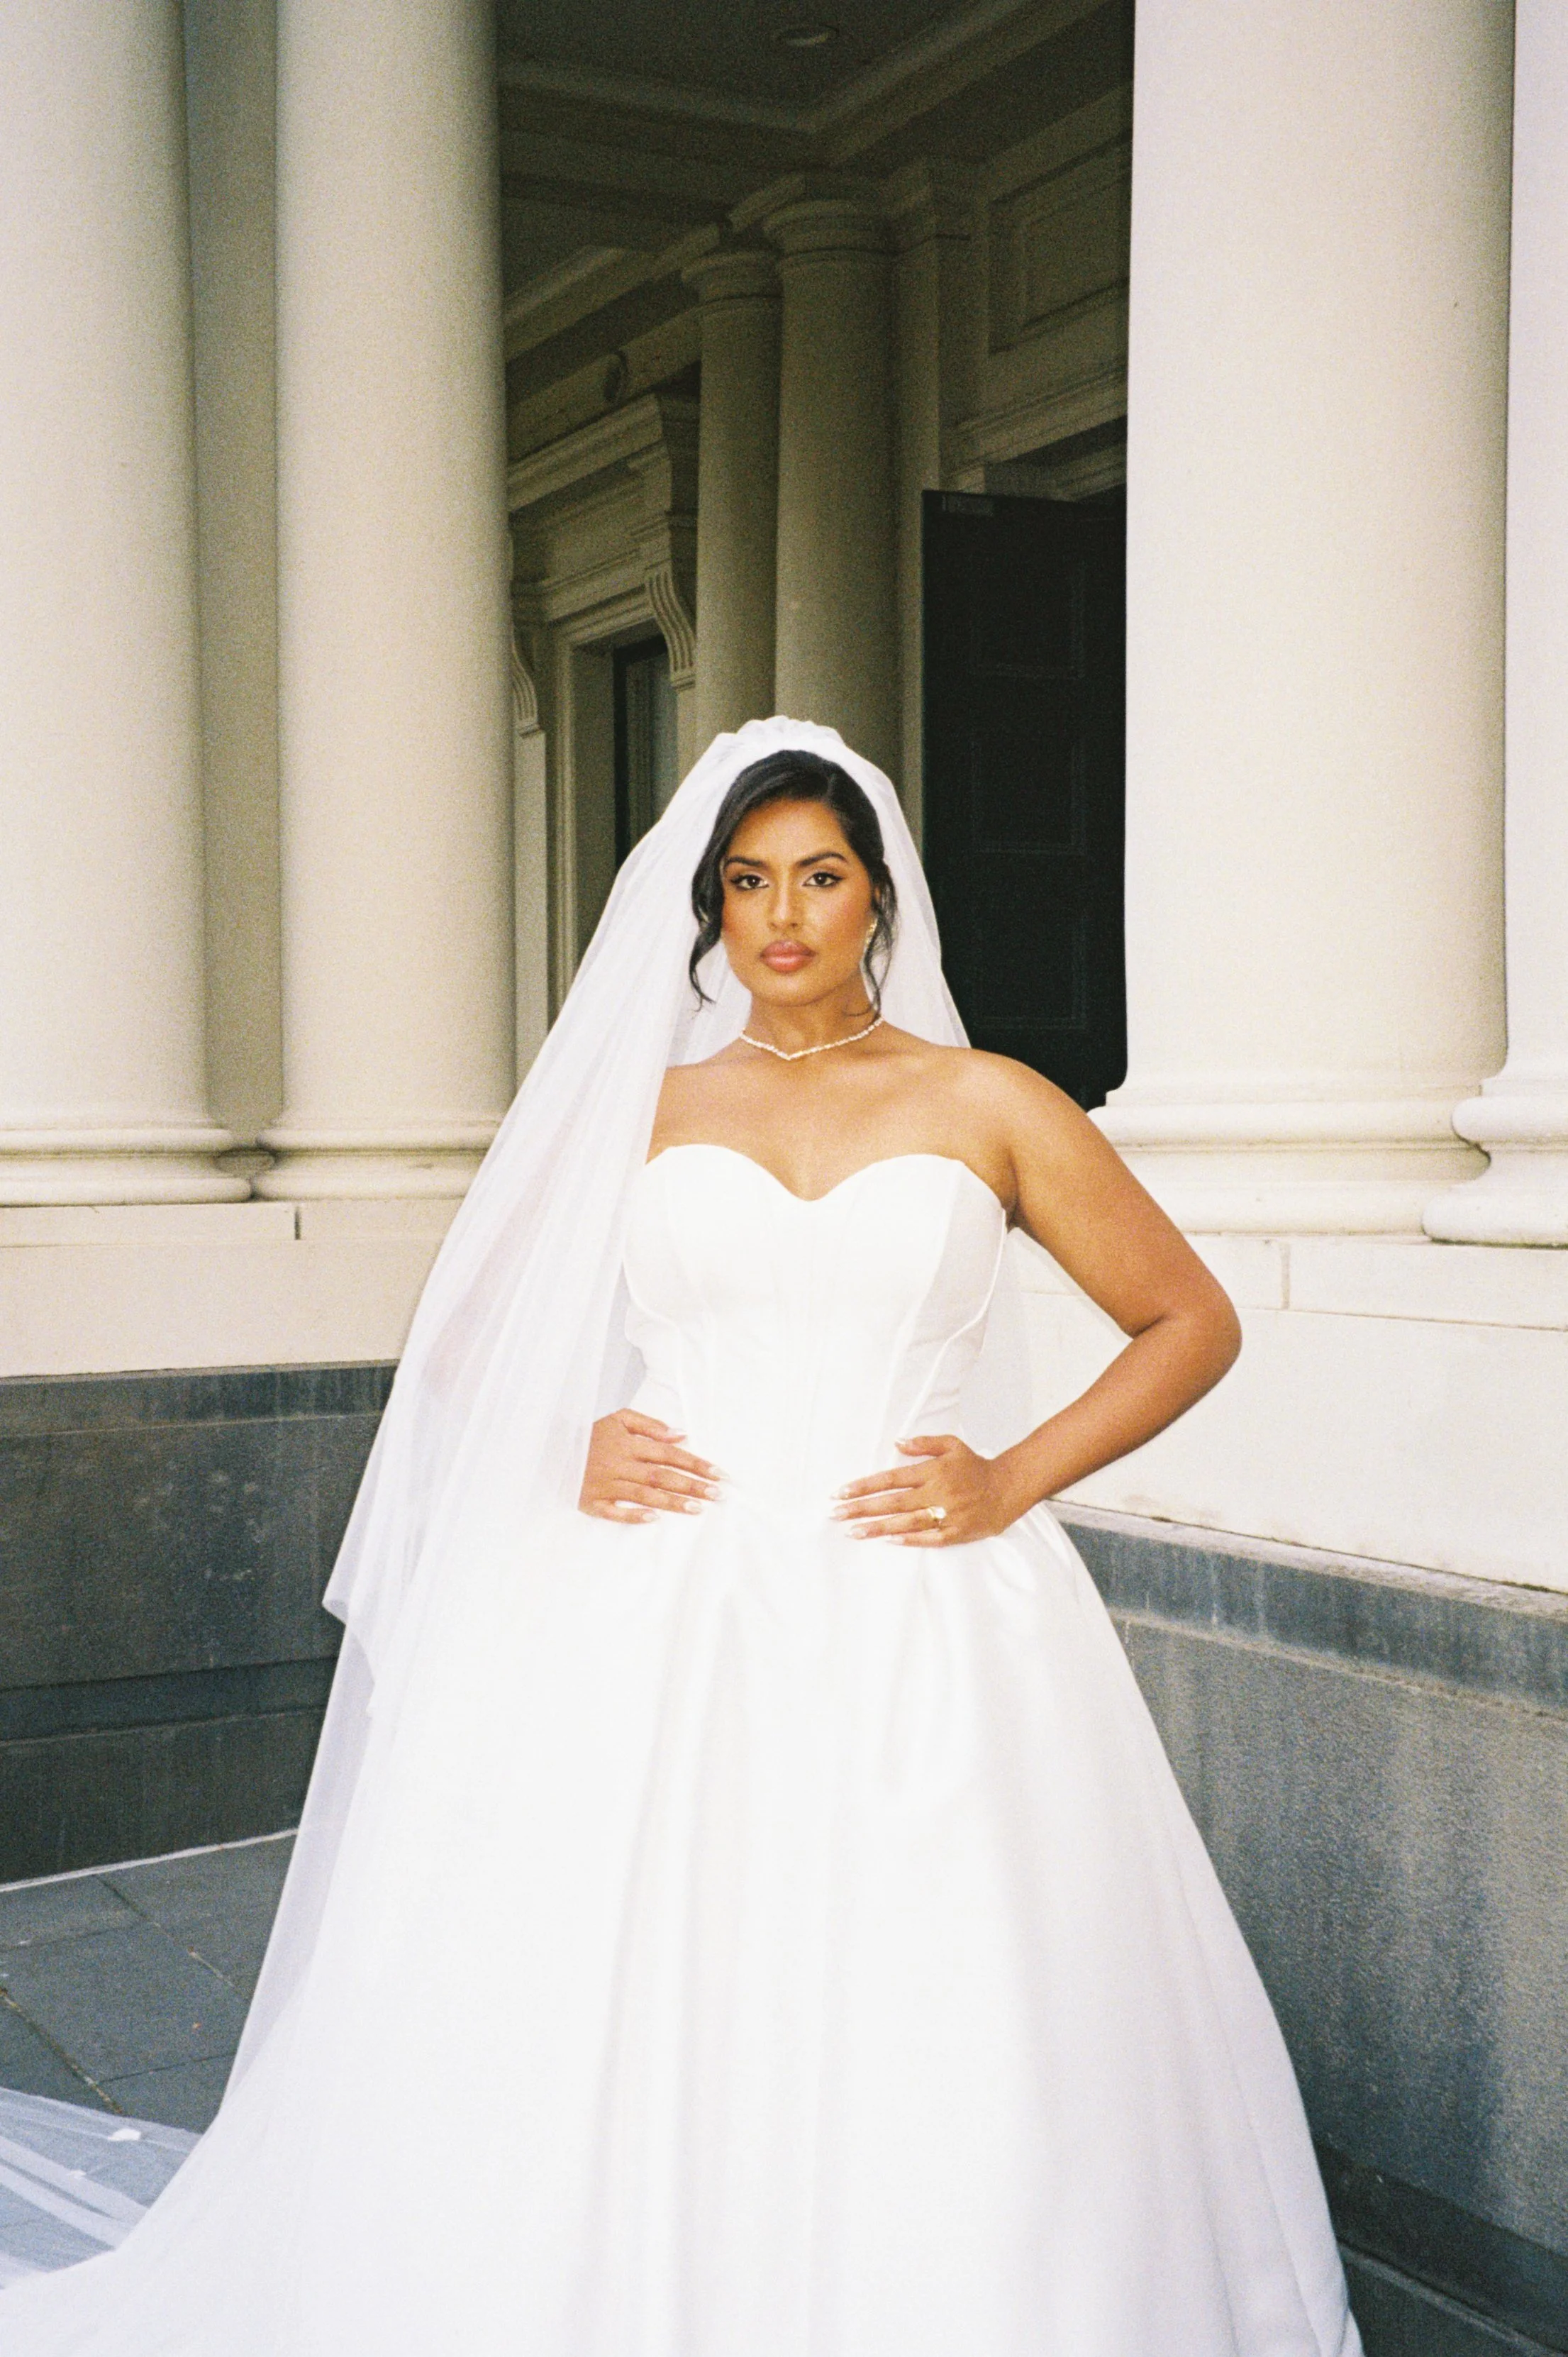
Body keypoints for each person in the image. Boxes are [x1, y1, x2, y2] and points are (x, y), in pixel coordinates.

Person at [0, 719, 1362, 2355]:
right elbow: (463, 1338)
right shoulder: (637, 1110)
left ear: (879, 901)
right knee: (619, 1979)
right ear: (708, 909)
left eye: (820, 874)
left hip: (922, 1608)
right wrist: (568, 1434)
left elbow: (1186, 1321)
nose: (782, 912)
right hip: (657, 1603)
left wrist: (1008, 1476)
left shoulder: (990, 1102)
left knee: (949, 1986)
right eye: (747, 879)